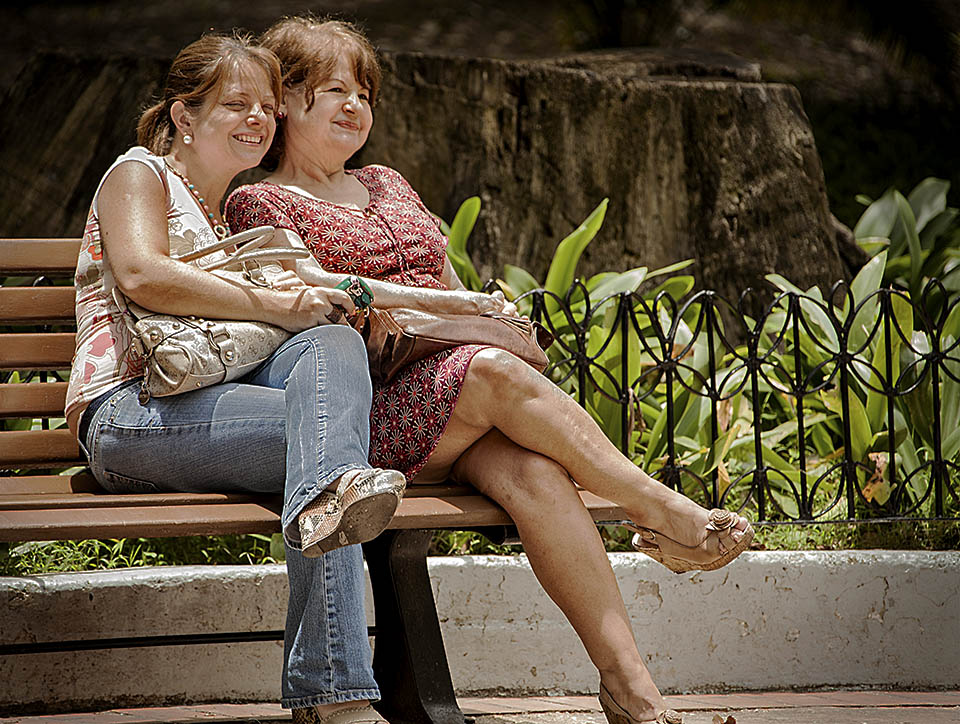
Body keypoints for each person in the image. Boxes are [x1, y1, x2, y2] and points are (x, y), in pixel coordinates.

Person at [226, 18, 755, 724]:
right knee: (494, 373)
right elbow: (306, 309)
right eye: (334, 91)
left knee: (536, 474)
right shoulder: (259, 201)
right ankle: (661, 511)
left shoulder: (387, 182)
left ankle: (631, 689)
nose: (355, 105)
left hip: (457, 398)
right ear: (288, 100)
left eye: (365, 93)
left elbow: (451, 285)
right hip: (361, 419)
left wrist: (485, 314)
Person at [65, 33, 403, 723]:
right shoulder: (139, 175)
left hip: (207, 406)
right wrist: (274, 304)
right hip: (128, 413)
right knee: (332, 455)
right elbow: (142, 274)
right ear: (184, 115)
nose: (258, 118)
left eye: (268, 107)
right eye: (235, 103)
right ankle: (333, 696)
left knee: (332, 356)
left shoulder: (233, 215)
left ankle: (331, 685)